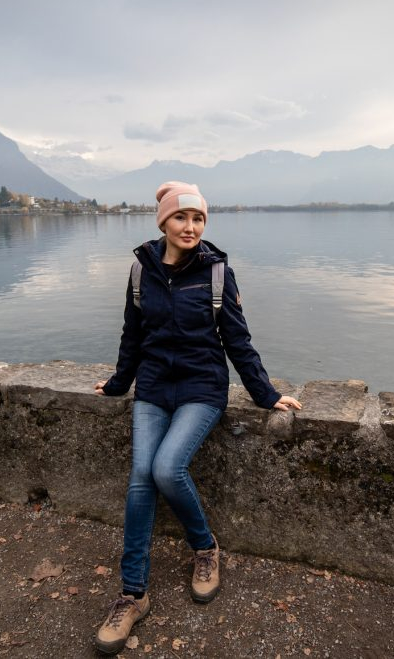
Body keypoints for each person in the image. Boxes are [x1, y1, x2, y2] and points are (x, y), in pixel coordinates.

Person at [92, 181, 302, 654]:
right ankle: (132, 594)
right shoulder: (139, 271)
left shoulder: (216, 274)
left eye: (198, 218)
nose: (190, 227)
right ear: (162, 222)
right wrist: (119, 383)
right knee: (140, 479)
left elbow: (237, 341)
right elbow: (132, 335)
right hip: (152, 389)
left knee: (167, 468)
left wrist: (266, 395)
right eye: (181, 218)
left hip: (202, 390)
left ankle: (205, 548)